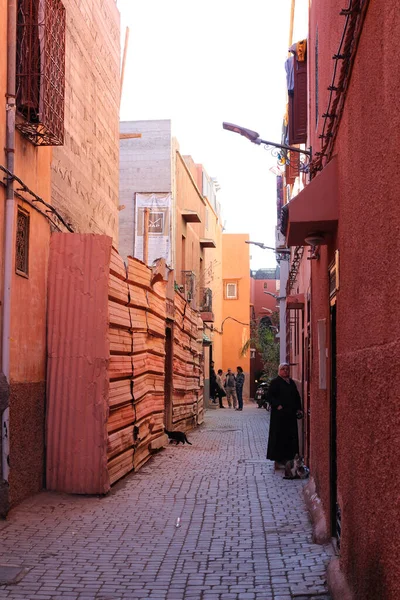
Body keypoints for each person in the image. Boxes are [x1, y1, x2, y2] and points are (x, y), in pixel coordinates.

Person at [266, 363, 303, 468]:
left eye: (287, 369)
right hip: (279, 417)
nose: (286, 371)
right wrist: (277, 405)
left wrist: (299, 409)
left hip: (290, 415)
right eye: (283, 369)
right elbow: (269, 396)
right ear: (279, 371)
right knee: (279, 437)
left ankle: (289, 459)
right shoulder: (275, 382)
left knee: (290, 437)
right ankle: (278, 460)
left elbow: (296, 396)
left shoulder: (291, 382)